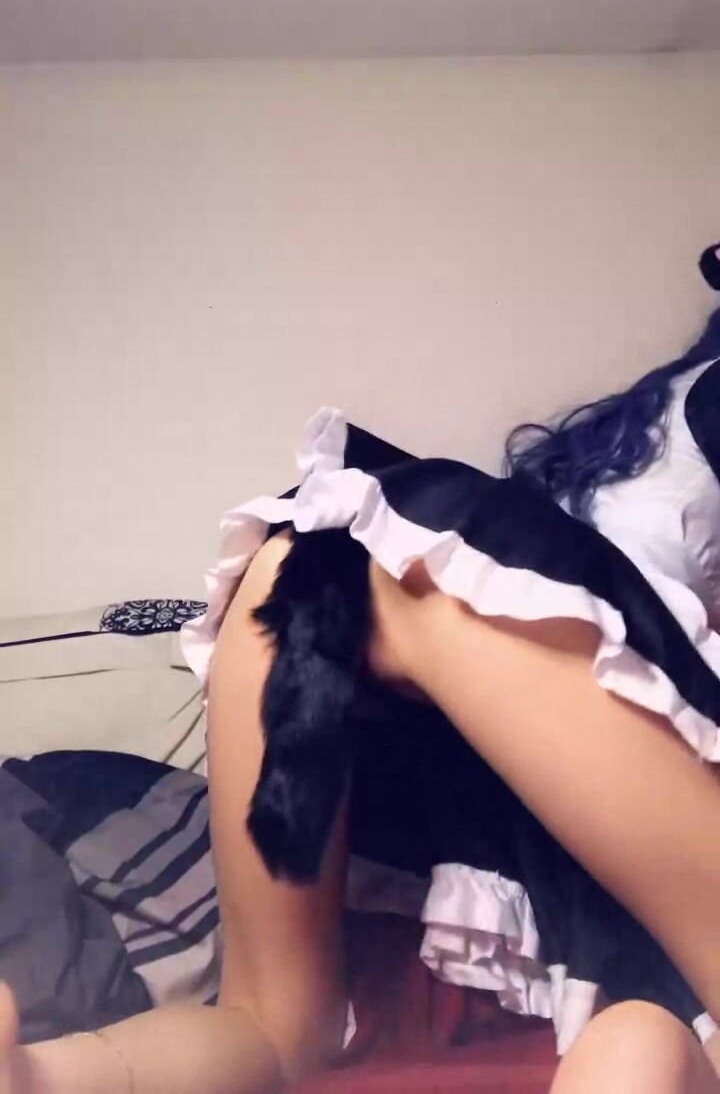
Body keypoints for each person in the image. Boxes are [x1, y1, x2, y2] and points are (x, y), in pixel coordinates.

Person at [2, 309, 720, 1094]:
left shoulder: (634, 433)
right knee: (645, 1034)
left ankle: (47, 1077)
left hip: (315, 571)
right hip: (444, 591)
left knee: (272, 1022)